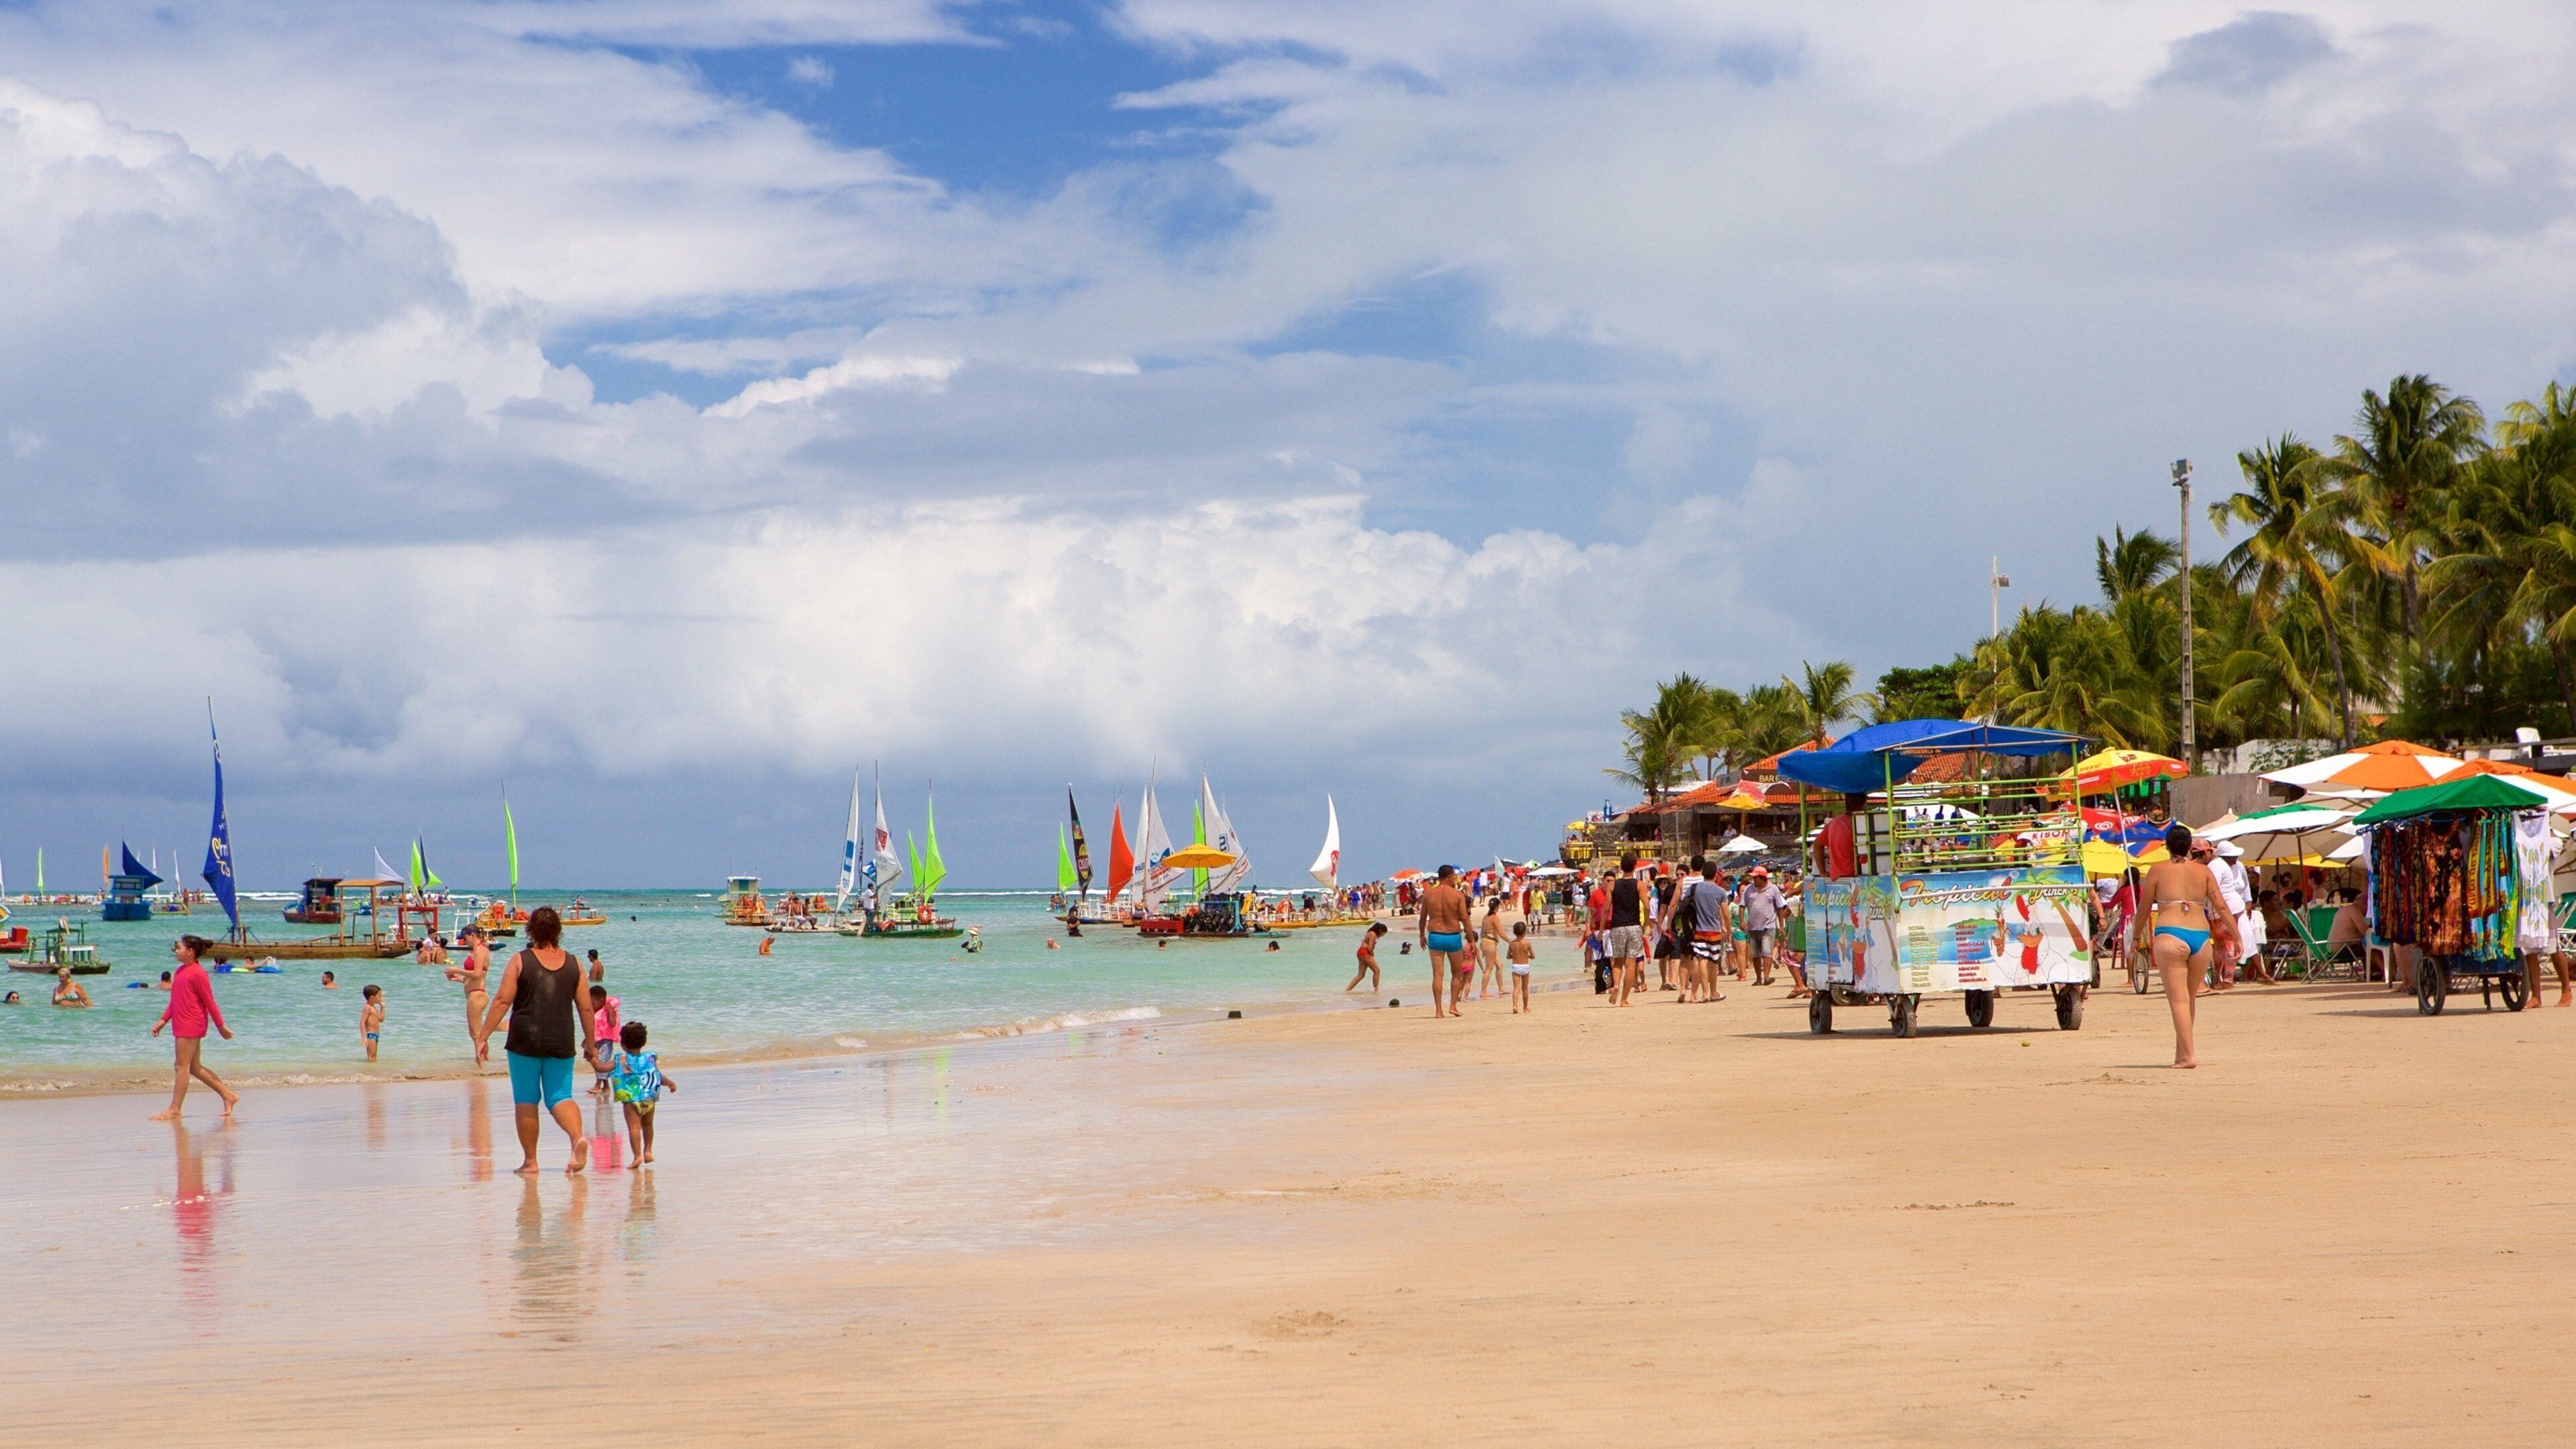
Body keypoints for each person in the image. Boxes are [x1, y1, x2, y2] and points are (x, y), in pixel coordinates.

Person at [474, 906, 599, 1175]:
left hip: (524, 1040)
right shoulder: (575, 964)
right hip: (561, 1039)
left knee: (526, 1099)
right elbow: (586, 1009)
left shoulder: (520, 961)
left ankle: (531, 1162)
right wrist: (591, 1045)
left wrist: (483, 1037)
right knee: (560, 1096)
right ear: (559, 931)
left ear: (530, 930)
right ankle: (577, 1138)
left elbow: (502, 1001)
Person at [2135, 823, 2233, 1069]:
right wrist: (2237, 935)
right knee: (2189, 999)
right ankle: (2182, 1053)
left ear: (2167, 846)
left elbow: (2144, 908)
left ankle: (2188, 1056)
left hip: (2171, 934)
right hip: (2200, 937)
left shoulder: (2157, 871)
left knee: (2178, 1001)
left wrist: (2136, 938)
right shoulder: (2204, 871)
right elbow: (2221, 906)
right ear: (2190, 847)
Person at [149, 935, 238, 1119]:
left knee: (181, 1065)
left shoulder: (199, 973)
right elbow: (175, 1000)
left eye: (179, 948)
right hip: (181, 1022)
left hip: (191, 1023)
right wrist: (163, 1020)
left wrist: (221, 1026)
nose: (176, 951)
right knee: (194, 1067)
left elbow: (209, 1002)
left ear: (190, 951)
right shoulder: (180, 971)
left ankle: (175, 1109)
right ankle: (228, 1095)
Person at [606, 1020, 677, 1166]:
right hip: (649, 1100)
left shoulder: (620, 1060)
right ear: (644, 1042)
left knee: (634, 1128)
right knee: (648, 1125)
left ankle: (637, 1156)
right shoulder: (649, 1058)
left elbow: (602, 1068)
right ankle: (648, 1151)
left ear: (623, 1044)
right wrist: (670, 1083)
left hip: (632, 1101)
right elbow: (658, 1076)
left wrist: (593, 1059)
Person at [1419, 865, 1474, 1018]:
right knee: (1457, 973)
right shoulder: (1457, 895)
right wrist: (1471, 940)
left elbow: (1423, 919)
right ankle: (1453, 1007)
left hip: (1435, 936)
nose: (1455, 879)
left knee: (1438, 975)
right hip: (1453, 936)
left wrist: (1422, 936)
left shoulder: (1428, 895)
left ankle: (1438, 1010)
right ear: (1449, 876)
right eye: (1454, 876)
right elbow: (1465, 918)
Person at [1603, 855, 1645, 1007]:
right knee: (1631, 964)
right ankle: (1624, 1000)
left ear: (1621, 867)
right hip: (1633, 926)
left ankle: (1616, 986)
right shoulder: (1639, 884)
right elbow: (1647, 906)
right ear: (1634, 867)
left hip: (1617, 927)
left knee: (1617, 962)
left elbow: (1606, 909)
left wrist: (1601, 930)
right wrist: (1647, 925)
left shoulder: (1612, 885)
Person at [445, 925, 494, 1051]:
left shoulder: (480, 950)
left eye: (465, 938)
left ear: (473, 935)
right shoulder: (478, 950)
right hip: (476, 993)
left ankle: (480, 1061)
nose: (464, 941)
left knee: (476, 1034)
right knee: (477, 1033)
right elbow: (477, 977)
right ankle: (483, 1059)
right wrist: (458, 979)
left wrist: (457, 970)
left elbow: (477, 973)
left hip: (477, 995)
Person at [1739, 866, 1788, 989]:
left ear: (1763, 878)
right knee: (1755, 954)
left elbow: (1780, 908)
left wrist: (1781, 926)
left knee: (1767, 952)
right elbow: (1742, 906)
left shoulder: (1773, 889)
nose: (1754, 880)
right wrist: (1742, 921)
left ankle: (1766, 977)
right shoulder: (1749, 889)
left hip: (1769, 926)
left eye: (1756, 878)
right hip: (1752, 926)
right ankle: (1758, 978)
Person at [1478, 896, 1507, 1000]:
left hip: (1486, 942)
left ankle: (1501, 989)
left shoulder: (1485, 917)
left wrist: (1483, 948)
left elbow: (1482, 932)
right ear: (1497, 907)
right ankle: (1483, 991)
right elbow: (1501, 933)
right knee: (1489, 969)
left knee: (1499, 965)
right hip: (1490, 943)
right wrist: (1511, 942)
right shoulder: (1494, 917)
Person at [1507, 920, 1535, 1012]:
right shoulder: (1527, 943)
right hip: (1525, 966)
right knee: (1525, 988)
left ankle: (1515, 1006)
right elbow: (1533, 956)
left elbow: (1508, 956)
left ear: (1514, 932)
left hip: (1516, 966)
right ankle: (1525, 1008)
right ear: (1525, 932)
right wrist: (1527, 956)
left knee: (1516, 988)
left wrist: (1515, 956)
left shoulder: (1512, 944)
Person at [360, 985, 385, 1061]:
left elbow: (381, 1019)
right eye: (379, 996)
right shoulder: (368, 1008)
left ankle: (372, 1069)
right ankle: (369, 1069)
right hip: (371, 1035)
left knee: (374, 1057)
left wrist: (383, 1007)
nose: (381, 998)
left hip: (376, 1035)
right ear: (372, 998)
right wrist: (364, 1038)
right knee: (371, 1058)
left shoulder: (373, 1007)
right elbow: (362, 1023)